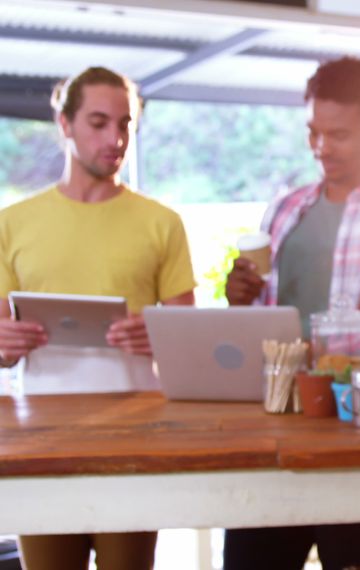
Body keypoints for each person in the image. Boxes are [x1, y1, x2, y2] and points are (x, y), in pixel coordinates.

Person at [223, 56, 360, 570]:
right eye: (313, 132)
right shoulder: (286, 209)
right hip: (277, 420)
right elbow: (268, 315)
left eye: (339, 134)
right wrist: (239, 300)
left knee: (354, 557)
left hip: (351, 427)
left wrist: (311, 350)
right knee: (250, 559)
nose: (322, 148)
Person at [0, 66, 196, 569]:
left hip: (134, 436)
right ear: (64, 125)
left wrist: (158, 334)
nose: (116, 138)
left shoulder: (162, 223)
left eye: (126, 123)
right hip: (39, 439)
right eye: (99, 122)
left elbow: (190, 343)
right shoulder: (11, 224)